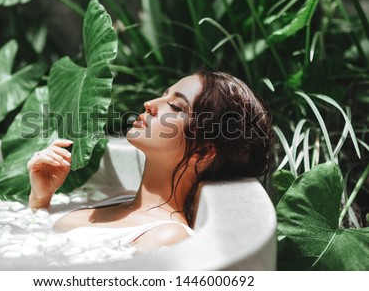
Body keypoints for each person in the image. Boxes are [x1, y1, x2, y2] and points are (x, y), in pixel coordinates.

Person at [27, 68, 272, 251]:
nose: (150, 104)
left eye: (175, 107)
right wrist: (41, 198)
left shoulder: (166, 237)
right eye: (163, 95)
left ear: (203, 152)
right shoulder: (123, 199)